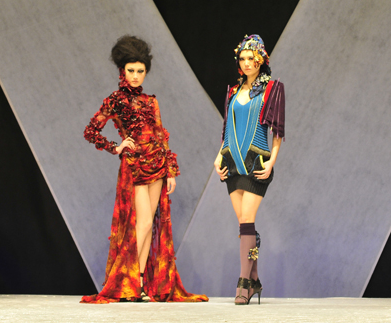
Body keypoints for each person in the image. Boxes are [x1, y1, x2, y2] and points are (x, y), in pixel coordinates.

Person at [80, 35, 207, 303]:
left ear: (145, 72)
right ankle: (128, 281)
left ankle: (137, 282)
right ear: (122, 71)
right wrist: (116, 147)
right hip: (135, 166)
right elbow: (91, 130)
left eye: (140, 71)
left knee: (148, 226)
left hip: (157, 164)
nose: (136, 76)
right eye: (131, 70)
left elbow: (160, 135)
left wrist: (171, 170)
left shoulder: (151, 101)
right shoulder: (115, 100)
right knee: (145, 221)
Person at [214, 35, 285, 305]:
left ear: (261, 60)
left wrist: (272, 161)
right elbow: (226, 129)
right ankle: (254, 280)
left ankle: (243, 283)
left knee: (247, 220)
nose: (246, 63)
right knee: (246, 227)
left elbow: (277, 131)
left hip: (257, 162)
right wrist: (217, 157)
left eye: (251, 58)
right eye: (242, 58)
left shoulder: (272, 89)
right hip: (231, 163)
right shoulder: (232, 91)